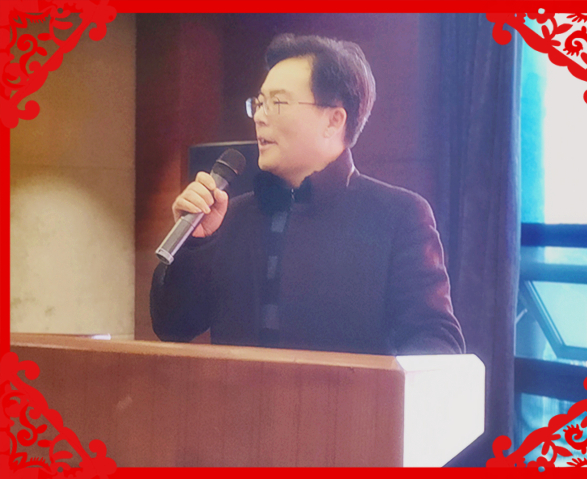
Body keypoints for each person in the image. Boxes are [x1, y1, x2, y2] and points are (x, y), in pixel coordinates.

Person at [150, 33, 465, 355]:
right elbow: (173, 327)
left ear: (333, 120)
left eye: (278, 103)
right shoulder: (232, 216)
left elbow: (436, 343)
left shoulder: (398, 216)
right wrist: (197, 243)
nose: (259, 116)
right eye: (259, 103)